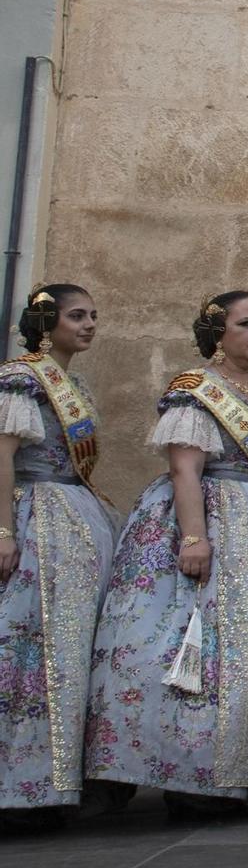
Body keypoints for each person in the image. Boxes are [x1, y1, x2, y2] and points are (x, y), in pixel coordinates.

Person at [85, 292, 248, 818]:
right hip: (213, 518)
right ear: (218, 332)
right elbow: (185, 469)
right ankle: (191, 775)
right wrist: (194, 537)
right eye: (246, 323)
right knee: (201, 645)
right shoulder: (194, 391)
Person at [0, 285, 120, 829]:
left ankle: (61, 780)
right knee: (30, 644)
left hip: (77, 520)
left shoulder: (74, 382)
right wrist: (3, 530)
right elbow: (3, 457)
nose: (90, 324)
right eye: (77, 316)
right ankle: (20, 783)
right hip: (36, 517)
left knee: (75, 648)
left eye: (93, 315)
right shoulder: (22, 379)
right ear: (46, 323)